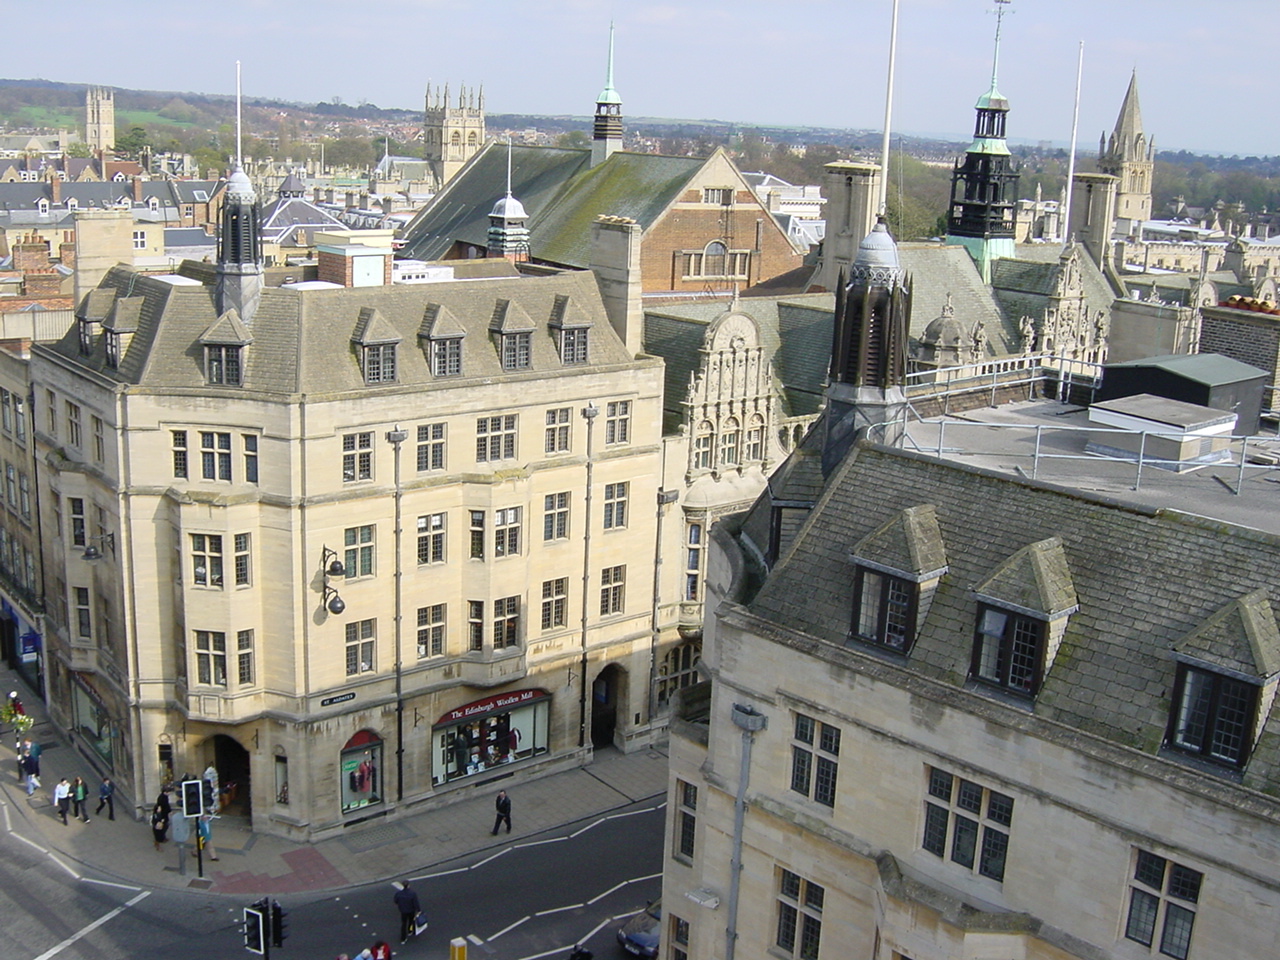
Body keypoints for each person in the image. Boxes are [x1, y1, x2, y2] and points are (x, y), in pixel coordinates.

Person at [393, 879, 421, 944]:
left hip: (403, 911)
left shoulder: (399, 893)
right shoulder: (412, 893)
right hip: (411, 910)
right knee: (411, 921)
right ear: (408, 885)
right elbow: (415, 903)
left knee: (403, 924)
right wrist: (418, 910)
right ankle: (410, 931)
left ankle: (403, 938)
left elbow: (395, 901)